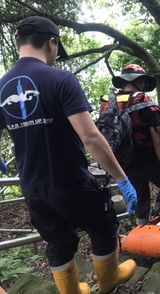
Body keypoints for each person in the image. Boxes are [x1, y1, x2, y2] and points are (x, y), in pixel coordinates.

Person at [0, 16, 137, 294]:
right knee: (103, 225)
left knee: (58, 240)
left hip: (33, 187)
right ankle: (109, 280)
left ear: (18, 44)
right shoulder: (60, 79)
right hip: (71, 181)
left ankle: (72, 291)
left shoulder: (1, 86)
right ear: (52, 43)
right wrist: (121, 177)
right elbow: (90, 137)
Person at [102, 64, 160, 225]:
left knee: (140, 194)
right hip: (148, 161)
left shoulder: (108, 101)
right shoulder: (144, 102)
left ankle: (142, 227)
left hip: (124, 163)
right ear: (140, 82)